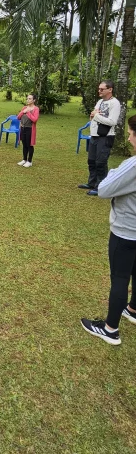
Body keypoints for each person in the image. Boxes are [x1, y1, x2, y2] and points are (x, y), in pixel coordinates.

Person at [81, 114, 136, 346]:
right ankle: (132, 309)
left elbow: (104, 189)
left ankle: (110, 329)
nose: (130, 139)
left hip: (126, 230)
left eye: (132, 134)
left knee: (120, 277)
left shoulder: (133, 165)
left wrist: (114, 173)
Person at [78, 80, 121, 196]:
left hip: (106, 137)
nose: (99, 91)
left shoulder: (115, 103)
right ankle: (91, 183)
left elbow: (112, 121)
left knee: (100, 162)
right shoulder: (100, 101)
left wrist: (96, 115)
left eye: (102, 89)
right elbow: (92, 115)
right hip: (94, 135)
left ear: (110, 90)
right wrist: (95, 115)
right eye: (99, 89)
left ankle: (101, 187)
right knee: (91, 161)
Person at [17, 94, 40, 167]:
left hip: (30, 129)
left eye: (30, 99)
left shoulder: (36, 109)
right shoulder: (24, 107)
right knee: (24, 144)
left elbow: (35, 119)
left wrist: (28, 112)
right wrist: (23, 111)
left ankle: (29, 161)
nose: (28, 100)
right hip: (23, 128)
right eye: (27, 98)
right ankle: (24, 159)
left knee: (29, 145)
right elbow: (18, 117)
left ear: (34, 100)